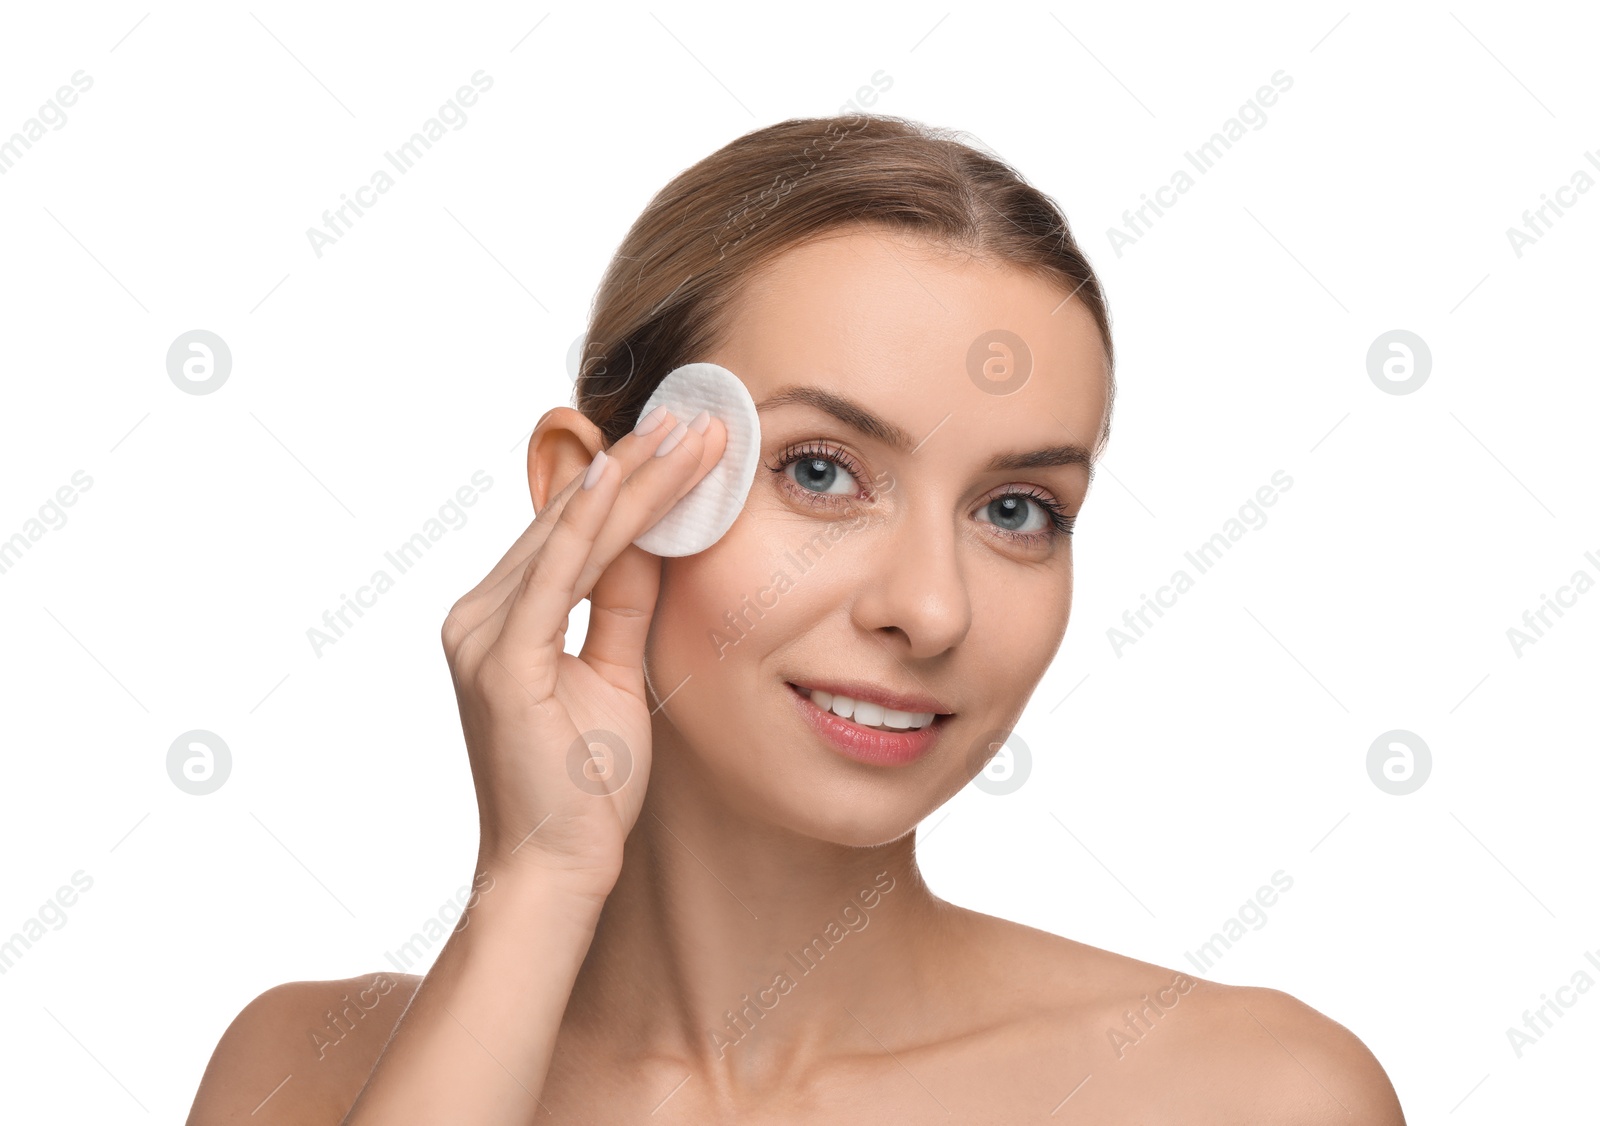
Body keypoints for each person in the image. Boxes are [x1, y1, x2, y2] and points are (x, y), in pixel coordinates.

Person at [187, 114, 1405, 1123]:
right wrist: (534, 887)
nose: (929, 607)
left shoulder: (1248, 1094)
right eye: (821, 472)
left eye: (1018, 508)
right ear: (588, 493)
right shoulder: (302, 1073)